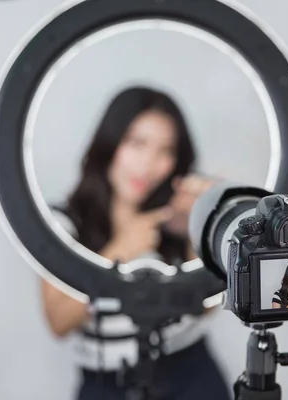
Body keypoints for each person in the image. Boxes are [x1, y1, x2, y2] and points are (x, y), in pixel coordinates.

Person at [40, 86, 231, 400]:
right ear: (110, 141)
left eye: (166, 151)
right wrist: (121, 250)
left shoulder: (174, 216)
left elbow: (207, 309)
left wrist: (196, 228)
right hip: (106, 383)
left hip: (190, 371)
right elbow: (58, 321)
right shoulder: (65, 221)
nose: (148, 163)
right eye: (137, 143)